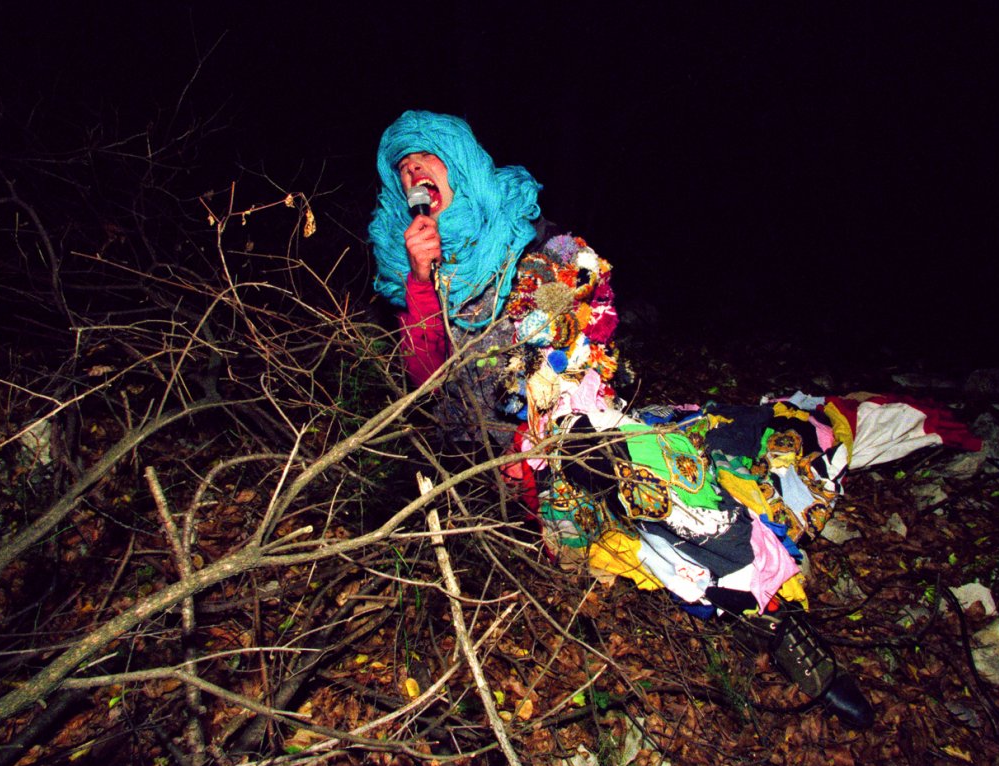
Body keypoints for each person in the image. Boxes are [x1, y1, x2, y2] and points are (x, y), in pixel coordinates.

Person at [368, 110, 874, 729]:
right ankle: (734, 597)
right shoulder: (412, 269)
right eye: (403, 170)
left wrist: (551, 406)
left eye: (425, 160)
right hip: (481, 459)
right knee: (611, 522)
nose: (414, 174)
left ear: (460, 165)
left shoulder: (533, 242)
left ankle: (779, 613)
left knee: (657, 467)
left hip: (562, 429)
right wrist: (422, 282)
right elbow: (426, 381)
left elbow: (588, 333)